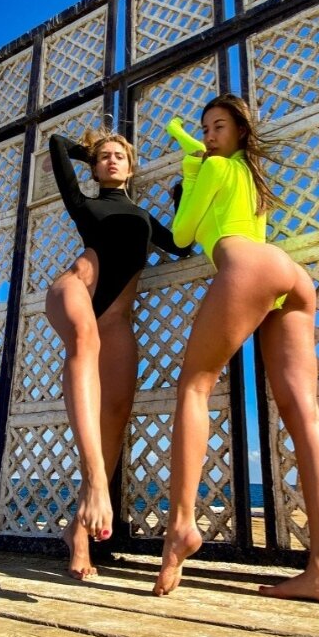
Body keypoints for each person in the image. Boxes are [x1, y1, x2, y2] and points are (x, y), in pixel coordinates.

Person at [153, 94, 319, 606]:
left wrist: (192, 169)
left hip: (247, 267)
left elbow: (182, 233)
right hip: (290, 276)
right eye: (205, 128)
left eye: (218, 126)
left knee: (194, 387)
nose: (209, 135)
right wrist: (195, 159)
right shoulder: (247, 174)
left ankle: (181, 525)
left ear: (240, 130)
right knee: (305, 415)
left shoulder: (217, 167)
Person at [43, 125, 191, 579]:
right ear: (94, 167)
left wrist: (183, 193)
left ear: (131, 168)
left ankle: (77, 534)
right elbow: (56, 144)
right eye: (104, 157)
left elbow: (182, 245)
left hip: (115, 320)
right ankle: (94, 485)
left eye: (119, 156)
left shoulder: (144, 217)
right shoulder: (84, 204)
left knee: (117, 413)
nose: (111, 160)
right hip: (75, 290)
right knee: (83, 341)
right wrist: (88, 150)